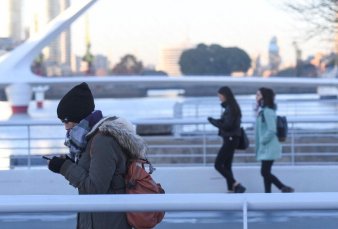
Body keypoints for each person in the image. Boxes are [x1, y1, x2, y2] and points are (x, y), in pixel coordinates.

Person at [46, 82, 148, 229]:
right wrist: (69, 164)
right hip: (97, 219)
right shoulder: (89, 137)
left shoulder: (103, 141)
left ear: (78, 114)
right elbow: (92, 173)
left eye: (66, 120)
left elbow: (94, 188)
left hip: (107, 222)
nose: (65, 126)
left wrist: (65, 168)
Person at [255, 87, 294, 193]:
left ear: (264, 97)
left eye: (258, 95)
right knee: (266, 172)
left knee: (264, 172)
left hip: (269, 146)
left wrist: (263, 140)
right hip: (267, 146)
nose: (256, 97)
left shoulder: (267, 111)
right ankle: (268, 194)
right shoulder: (265, 110)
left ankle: (283, 188)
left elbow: (272, 129)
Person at [207, 86, 246, 193]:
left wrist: (212, 121)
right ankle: (231, 189)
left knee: (218, 164)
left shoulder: (230, 108)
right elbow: (227, 122)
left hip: (230, 139)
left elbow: (227, 125)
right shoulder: (232, 107)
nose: (219, 98)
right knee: (227, 166)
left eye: (219, 96)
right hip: (232, 139)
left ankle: (237, 184)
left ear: (224, 95)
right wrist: (215, 120)